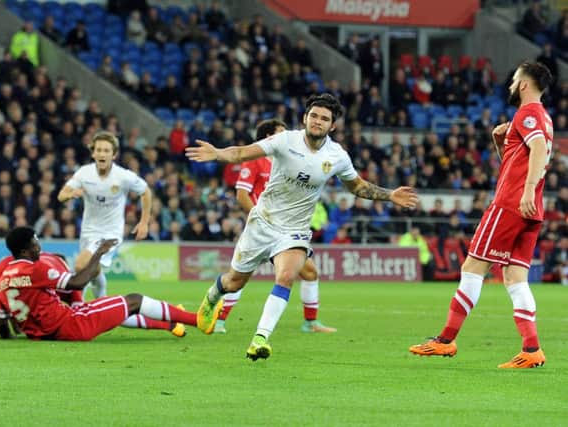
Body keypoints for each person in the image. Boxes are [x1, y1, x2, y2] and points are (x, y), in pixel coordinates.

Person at [186, 93, 418, 360]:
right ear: (305, 118)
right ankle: (214, 294)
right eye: (314, 116)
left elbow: (357, 186)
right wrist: (217, 154)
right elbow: (241, 153)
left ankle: (260, 338)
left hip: (294, 231)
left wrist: (390, 195)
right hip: (262, 222)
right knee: (234, 282)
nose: (318, 121)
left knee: (286, 276)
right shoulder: (285, 140)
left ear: (332, 126)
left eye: (325, 118)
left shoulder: (337, 155)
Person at [409, 61, 553, 369]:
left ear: (525, 84)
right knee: (515, 277)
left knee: (472, 266)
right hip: (531, 210)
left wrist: (527, 189)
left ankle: (445, 340)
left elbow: (538, 150)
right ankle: (531, 349)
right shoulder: (544, 118)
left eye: (515, 80)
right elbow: (521, 160)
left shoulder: (527, 113)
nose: (512, 84)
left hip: (511, 204)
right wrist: (502, 143)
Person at [214, 118, 336, 334]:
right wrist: (258, 220)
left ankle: (310, 323)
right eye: (280, 133)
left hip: (286, 232)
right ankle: (219, 320)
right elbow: (242, 194)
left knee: (310, 273)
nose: (287, 136)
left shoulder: (288, 160)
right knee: (240, 277)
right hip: (262, 227)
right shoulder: (254, 161)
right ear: (269, 137)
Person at [0, 227, 223, 340]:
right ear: (24, 250)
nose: (39, 247)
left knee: (115, 308)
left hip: (48, 330)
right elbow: (76, 282)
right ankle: (198, 320)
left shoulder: (3, 279)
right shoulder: (37, 267)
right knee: (134, 300)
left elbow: (3, 323)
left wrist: (19, 339)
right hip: (70, 325)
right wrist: (99, 253)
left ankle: (171, 321)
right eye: (35, 244)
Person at [0, 251, 186, 338]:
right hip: (29, 298)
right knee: (114, 311)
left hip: (4, 286)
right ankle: (169, 322)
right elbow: (78, 308)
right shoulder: (59, 275)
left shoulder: (27, 261)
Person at [58, 131, 152, 299]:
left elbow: (145, 192)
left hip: (110, 232)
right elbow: (61, 195)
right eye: (99, 150)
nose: (102, 154)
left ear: (114, 155)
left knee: (80, 266)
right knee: (90, 270)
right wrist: (70, 194)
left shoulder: (123, 176)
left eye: (106, 150)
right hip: (88, 231)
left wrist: (144, 222)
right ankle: (101, 299)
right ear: (93, 153)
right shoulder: (84, 173)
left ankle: (79, 302)